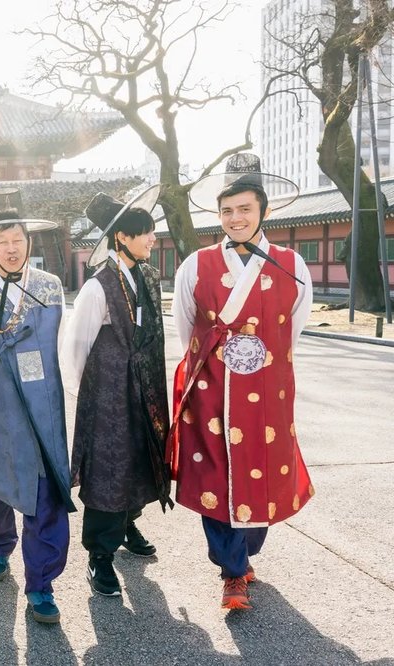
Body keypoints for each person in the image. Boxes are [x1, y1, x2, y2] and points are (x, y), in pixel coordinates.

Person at [169, 153, 313, 610]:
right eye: (227, 211)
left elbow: (293, 327)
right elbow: (187, 327)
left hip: (268, 393)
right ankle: (232, 571)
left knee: (262, 473)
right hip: (212, 392)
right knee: (215, 476)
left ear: (263, 211)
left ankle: (244, 553)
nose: (235, 218)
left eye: (245, 209)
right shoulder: (197, 264)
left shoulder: (292, 264)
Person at [0, 188, 76, 624]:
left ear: (29, 242)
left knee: (45, 495)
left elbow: (58, 346)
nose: (11, 248)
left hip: (42, 411)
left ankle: (41, 584)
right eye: (2, 241)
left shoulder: (50, 286)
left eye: (18, 240)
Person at [62, 185, 173, 598]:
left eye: (152, 231)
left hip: (144, 386)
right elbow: (77, 347)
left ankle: (128, 524)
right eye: (145, 232)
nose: (152, 239)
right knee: (108, 469)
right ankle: (100, 553)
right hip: (108, 394)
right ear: (121, 237)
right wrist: (92, 396)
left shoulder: (146, 275)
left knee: (143, 458)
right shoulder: (98, 286)